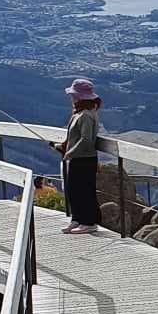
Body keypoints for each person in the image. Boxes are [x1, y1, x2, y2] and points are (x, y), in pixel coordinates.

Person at [55, 77, 104, 233]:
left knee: (84, 190)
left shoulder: (86, 116)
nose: (71, 97)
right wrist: (63, 146)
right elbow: (75, 137)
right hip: (78, 158)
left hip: (85, 159)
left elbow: (86, 140)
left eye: (73, 94)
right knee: (73, 189)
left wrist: (69, 153)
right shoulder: (81, 113)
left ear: (80, 97)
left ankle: (89, 222)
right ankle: (77, 219)